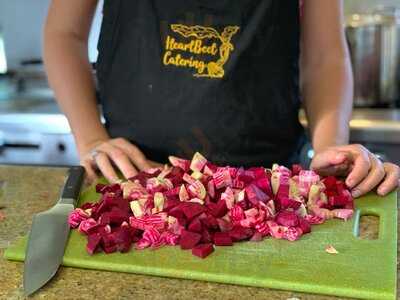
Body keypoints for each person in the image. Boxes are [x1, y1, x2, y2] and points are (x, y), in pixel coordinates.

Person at [44, 0, 399, 198]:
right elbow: (64, 33)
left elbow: (325, 58)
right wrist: (91, 137)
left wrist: (330, 147)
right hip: (133, 180)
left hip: (267, 187)